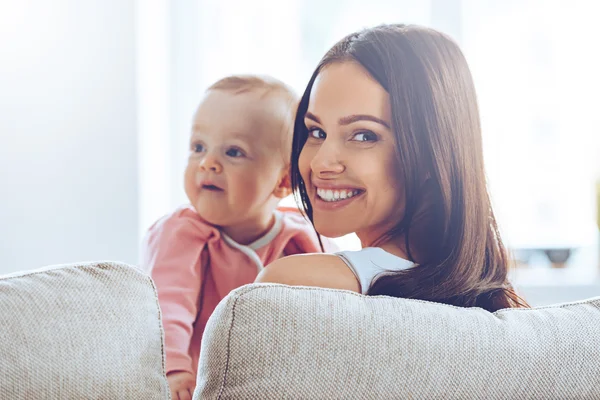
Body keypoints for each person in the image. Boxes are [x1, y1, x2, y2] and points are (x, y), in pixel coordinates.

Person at [257, 24, 528, 312]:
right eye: (316, 132)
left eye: (364, 135)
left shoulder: (289, 284)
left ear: (430, 153)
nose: (320, 163)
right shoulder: (497, 307)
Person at [141, 75, 332, 400]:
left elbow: (330, 309)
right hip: (191, 380)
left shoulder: (299, 238)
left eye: (233, 152)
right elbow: (165, 307)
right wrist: (173, 371)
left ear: (283, 181)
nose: (207, 163)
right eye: (198, 147)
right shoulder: (181, 233)